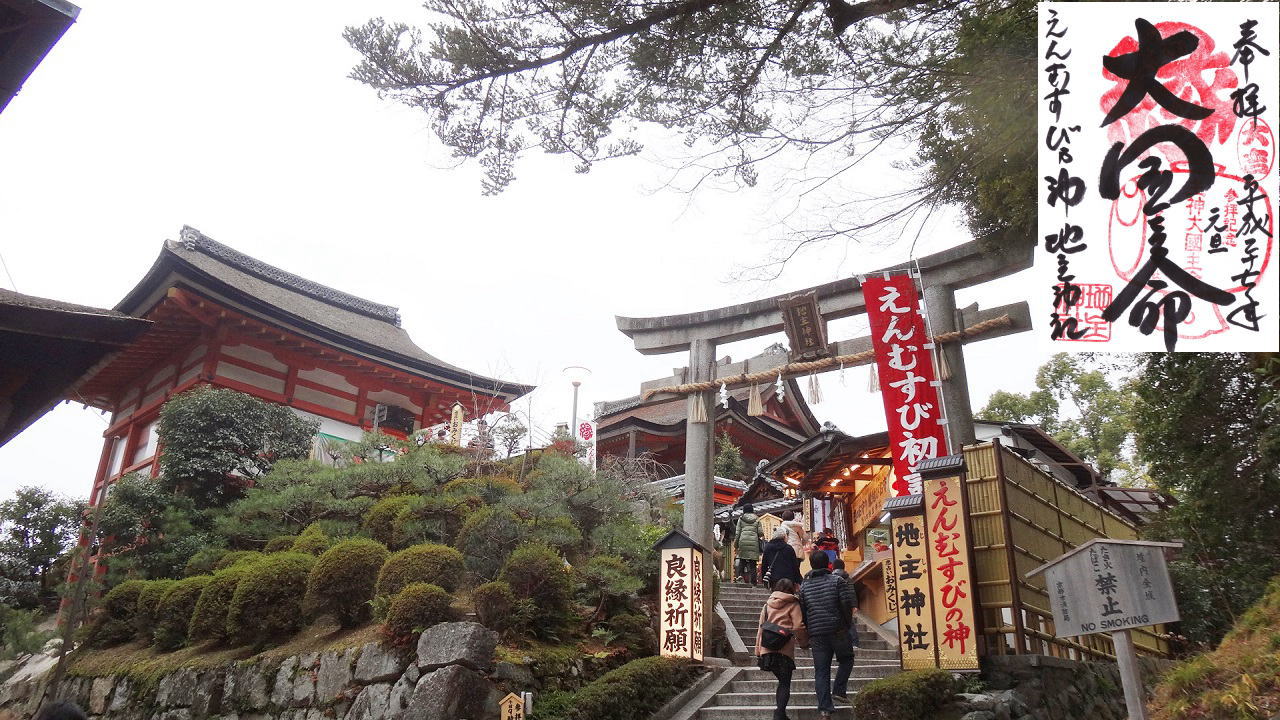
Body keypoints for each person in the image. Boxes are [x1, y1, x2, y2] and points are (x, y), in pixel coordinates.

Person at [797, 551, 857, 719]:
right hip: (837, 630)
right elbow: (845, 604)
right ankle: (838, 690)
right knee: (847, 659)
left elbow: (802, 611)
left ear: (811, 564)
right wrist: (846, 624)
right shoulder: (837, 581)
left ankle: (824, 709)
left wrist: (810, 629)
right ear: (828, 564)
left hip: (817, 634)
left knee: (821, 671)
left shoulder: (805, 586)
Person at [755, 578, 807, 720]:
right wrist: (803, 642)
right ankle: (779, 713)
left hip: (768, 649)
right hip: (784, 650)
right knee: (785, 683)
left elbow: (761, 628)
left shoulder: (767, 605)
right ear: (791, 590)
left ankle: (781, 713)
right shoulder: (793, 604)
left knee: (781, 681)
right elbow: (798, 626)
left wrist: (758, 651)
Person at [830, 558, 861, 648]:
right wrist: (854, 605)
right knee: (849, 623)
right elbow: (851, 592)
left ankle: (837, 643)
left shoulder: (831, 577)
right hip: (846, 604)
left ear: (833, 567)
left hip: (835, 603)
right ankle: (855, 642)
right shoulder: (847, 577)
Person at [733, 504, 765, 586]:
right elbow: (761, 533)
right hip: (754, 542)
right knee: (752, 563)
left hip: (743, 541)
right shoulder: (757, 519)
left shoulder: (741, 519)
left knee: (742, 560)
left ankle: (740, 576)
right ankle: (753, 583)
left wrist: (736, 545)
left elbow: (737, 533)